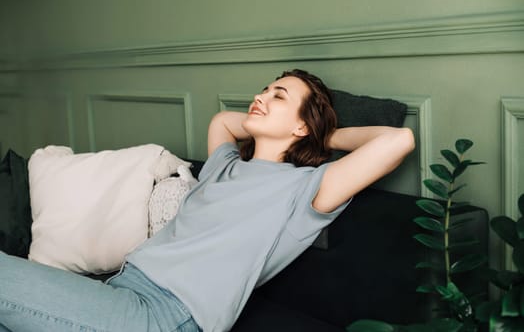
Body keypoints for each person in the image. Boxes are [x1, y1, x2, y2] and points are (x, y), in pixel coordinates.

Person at [0, 69, 415, 332]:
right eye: (265, 89)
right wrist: (277, 122)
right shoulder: (224, 165)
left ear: (303, 125)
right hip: (120, 290)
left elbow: (399, 140)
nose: (263, 96)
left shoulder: (305, 189)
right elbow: (222, 121)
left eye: (279, 96)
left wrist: (325, 135)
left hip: (161, 317)